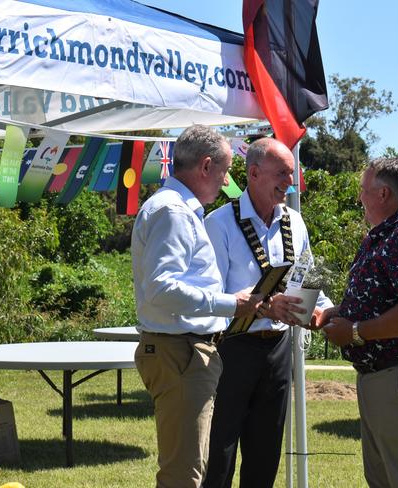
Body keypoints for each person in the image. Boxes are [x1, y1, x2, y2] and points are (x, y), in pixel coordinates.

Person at [131, 125, 262, 488]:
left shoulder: (177, 209)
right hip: (181, 352)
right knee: (183, 474)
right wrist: (230, 304)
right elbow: (161, 287)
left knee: (188, 468)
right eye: (224, 171)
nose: (226, 182)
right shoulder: (173, 212)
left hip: (184, 351)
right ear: (206, 167)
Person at [203, 137, 333, 488]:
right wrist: (264, 305)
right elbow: (211, 296)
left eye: (292, 175)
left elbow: (305, 282)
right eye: (282, 174)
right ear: (255, 172)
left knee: (265, 453)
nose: (289, 183)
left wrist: (324, 312)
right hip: (231, 348)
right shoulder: (219, 224)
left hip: (277, 349)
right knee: (219, 451)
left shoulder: (295, 222)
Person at [321, 157, 398, 488]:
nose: (359, 197)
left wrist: (356, 332)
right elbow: (385, 298)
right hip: (384, 374)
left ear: (383, 194)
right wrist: (342, 313)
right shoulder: (387, 235)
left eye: (364, 190)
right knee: (384, 479)